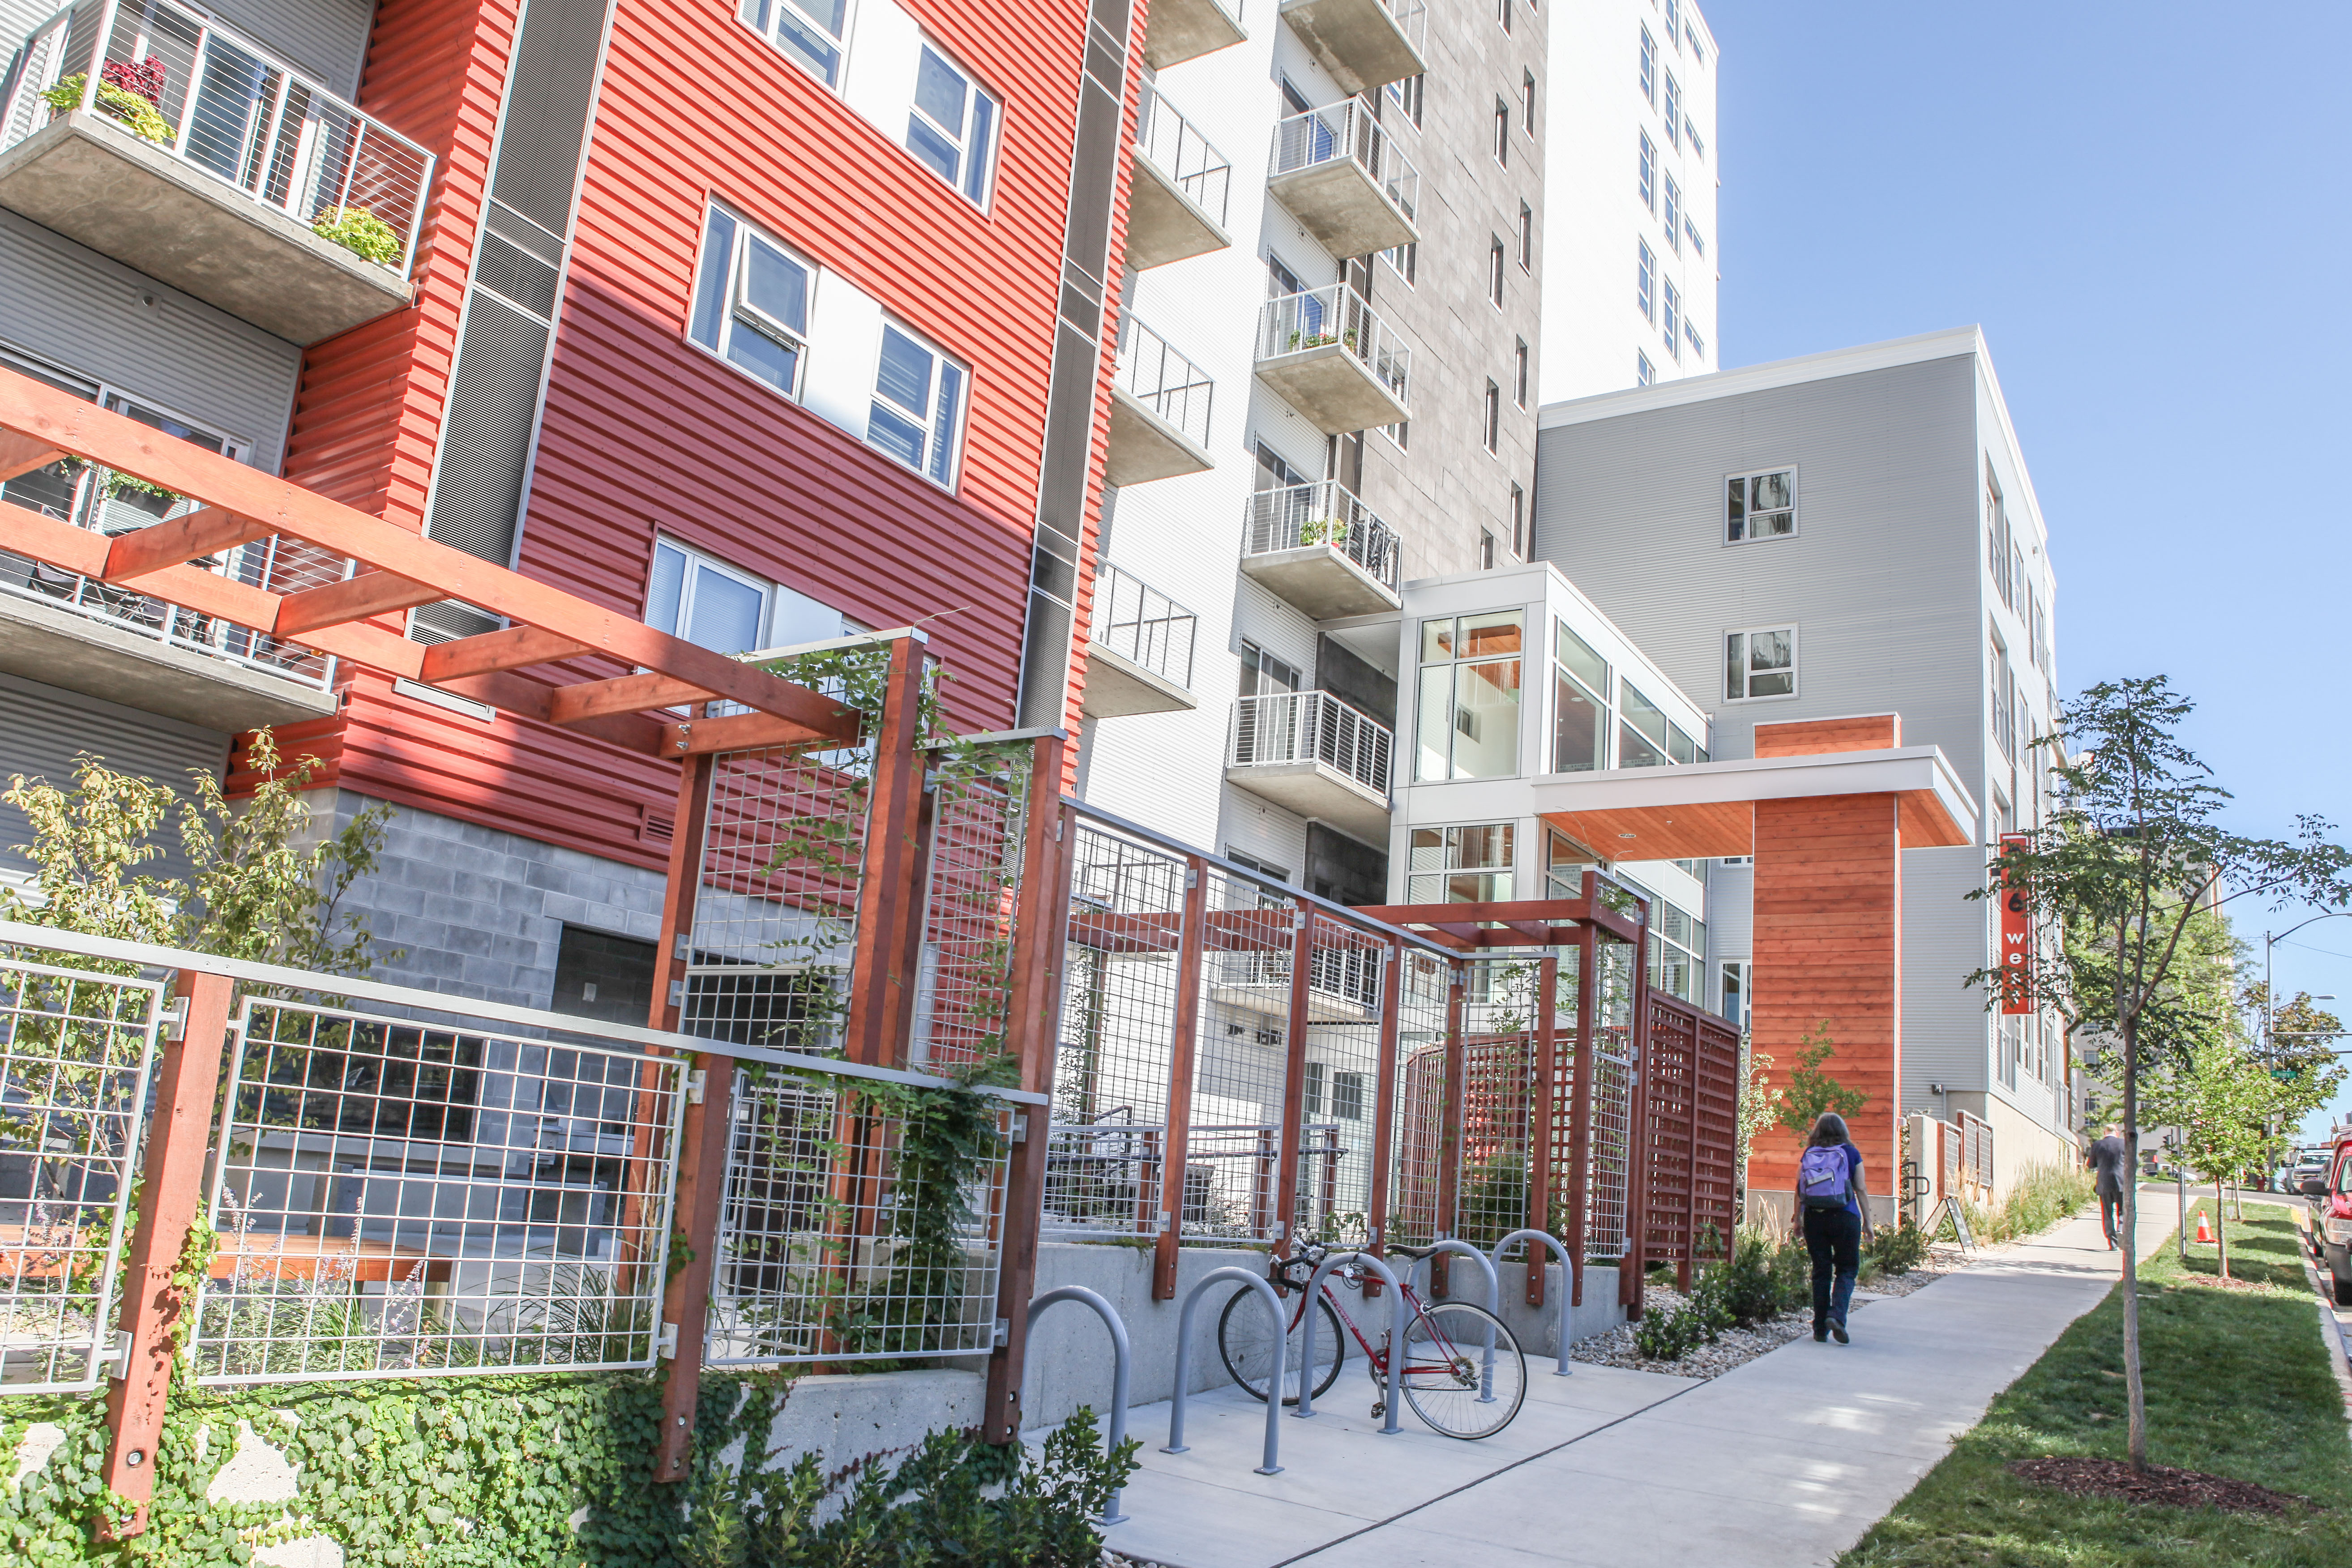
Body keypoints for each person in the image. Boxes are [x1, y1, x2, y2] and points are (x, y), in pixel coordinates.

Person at [1794, 1112, 1872, 1344]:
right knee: (1847, 1268)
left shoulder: (1809, 1154)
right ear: (1843, 1131)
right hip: (1845, 1216)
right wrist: (1868, 1223)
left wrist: (1797, 1219)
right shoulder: (1851, 1153)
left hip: (1815, 1218)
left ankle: (1819, 1329)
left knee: (1821, 1271)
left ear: (1817, 1131)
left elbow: (1799, 1188)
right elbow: (1861, 1189)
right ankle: (1837, 1316)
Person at [2086, 1123, 2128, 1250]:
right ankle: (2121, 1229)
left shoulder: (2098, 1145)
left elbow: (2091, 1165)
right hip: (2121, 1182)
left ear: (2105, 1133)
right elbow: (2135, 1162)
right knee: (2123, 1210)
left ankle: (2112, 1242)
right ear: (2117, 1133)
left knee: (2107, 1212)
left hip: (2104, 1182)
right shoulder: (2124, 1144)